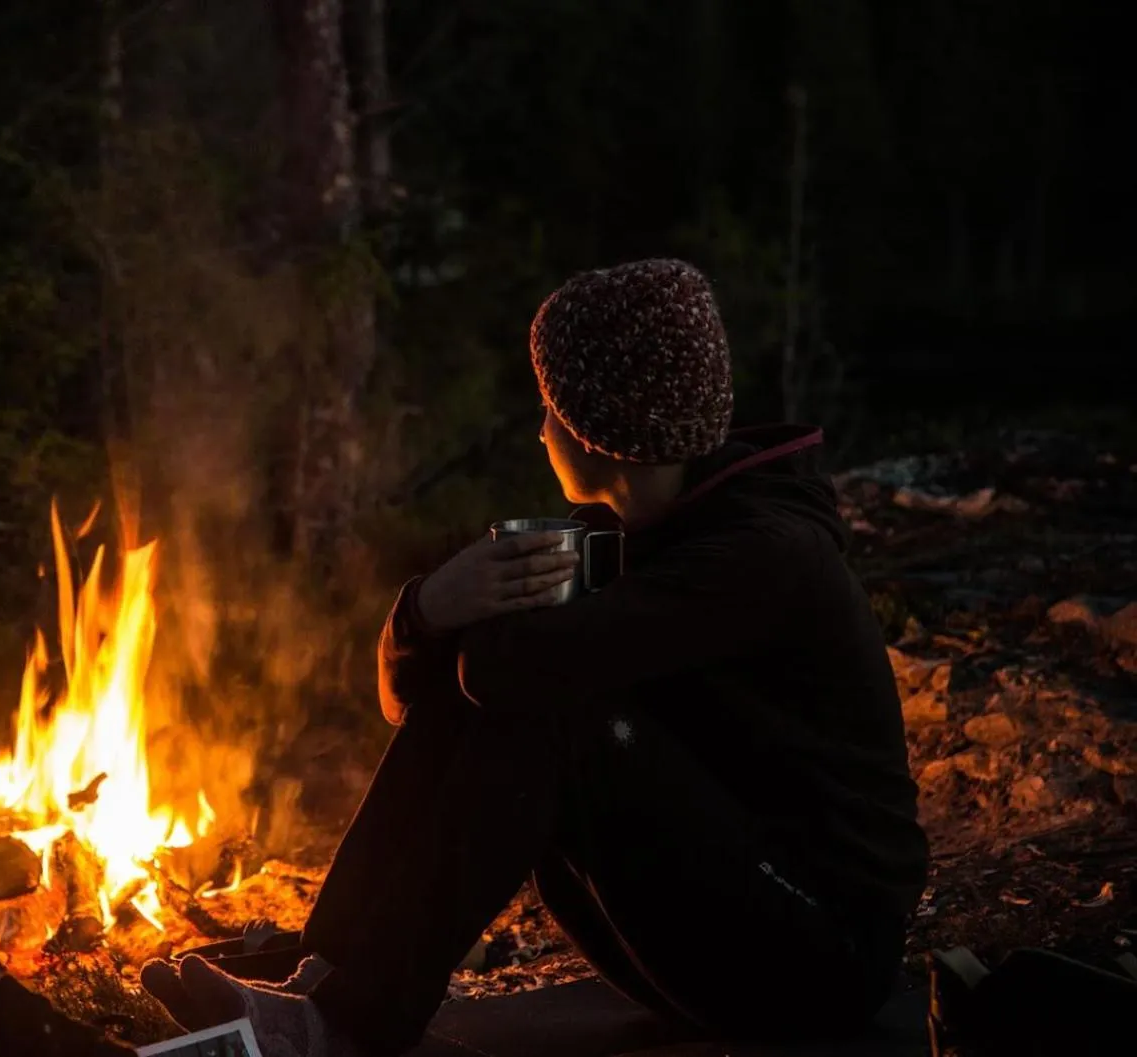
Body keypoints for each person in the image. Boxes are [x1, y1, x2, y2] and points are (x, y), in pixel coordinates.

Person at [138, 259, 930, 1057]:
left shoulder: (759, 555)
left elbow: (509, 679)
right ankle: (320, 974)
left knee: (554, 708)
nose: (541, 429)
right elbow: (424, 699)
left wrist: (475, 622)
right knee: (508, 688)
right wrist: (428, 608)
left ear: (598, 429)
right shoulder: (634, 539)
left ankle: (346, 1028)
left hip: (819, 959)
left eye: (550, 408)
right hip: (724, 921)